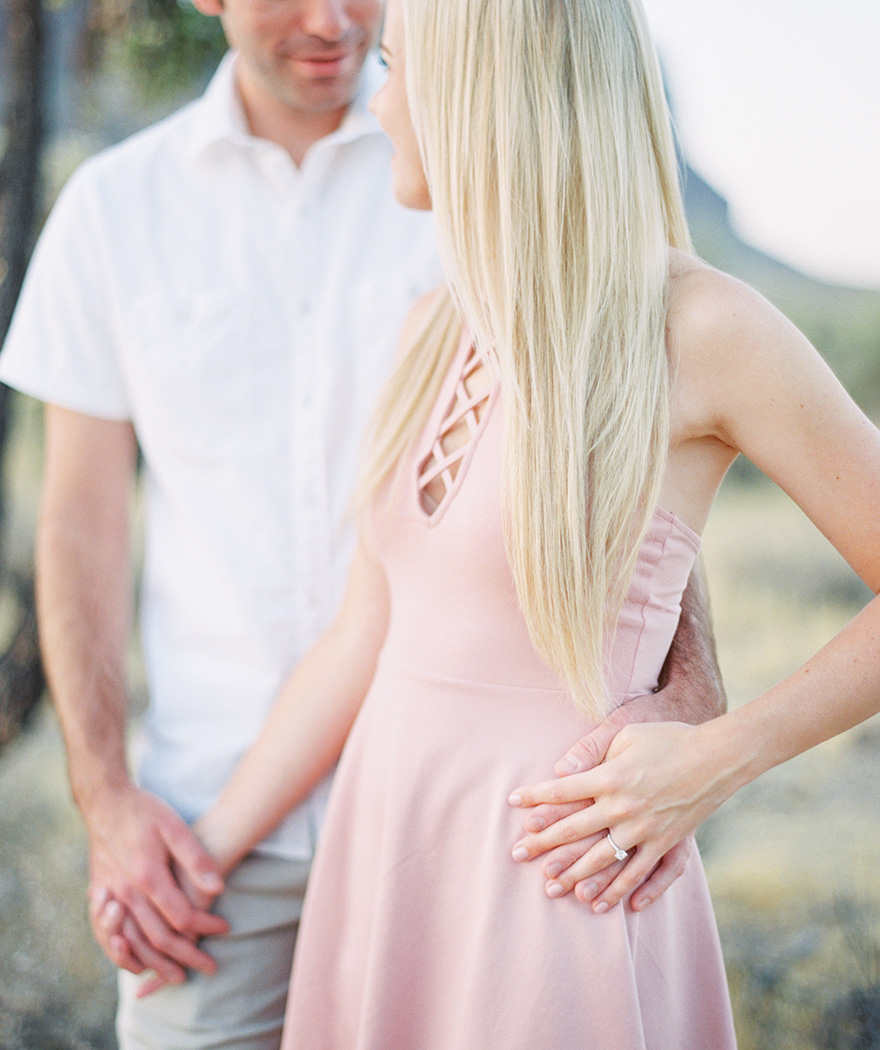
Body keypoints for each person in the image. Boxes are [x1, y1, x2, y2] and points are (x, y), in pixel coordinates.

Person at [143, 0, 880, 1042]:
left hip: (557, 892)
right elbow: (360, 642)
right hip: (388, 868)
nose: (379, 105)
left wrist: (718, 757)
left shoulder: (700, 326)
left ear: (479, 95)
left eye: (396, 68)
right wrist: (200, 856)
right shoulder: (432, 327)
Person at [0, 0, 725, 1046]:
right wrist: (106, 799)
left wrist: (693, 688)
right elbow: (79, 526)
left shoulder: (463, 156)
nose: (333, 18)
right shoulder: (113, 213)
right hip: (211, 827)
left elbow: (633, 426)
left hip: (466, 832)